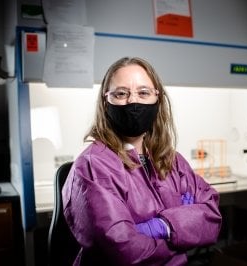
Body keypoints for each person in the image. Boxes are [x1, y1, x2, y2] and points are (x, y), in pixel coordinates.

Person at [62, 57, 222, 265]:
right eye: (121, 93)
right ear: (106, 100)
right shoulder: (93, 165)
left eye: (143, 93)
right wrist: (183, 228)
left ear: (157, 99)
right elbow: (124, 252)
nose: (133, 102)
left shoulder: (171, 159)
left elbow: (212, 216)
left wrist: (161, 226)